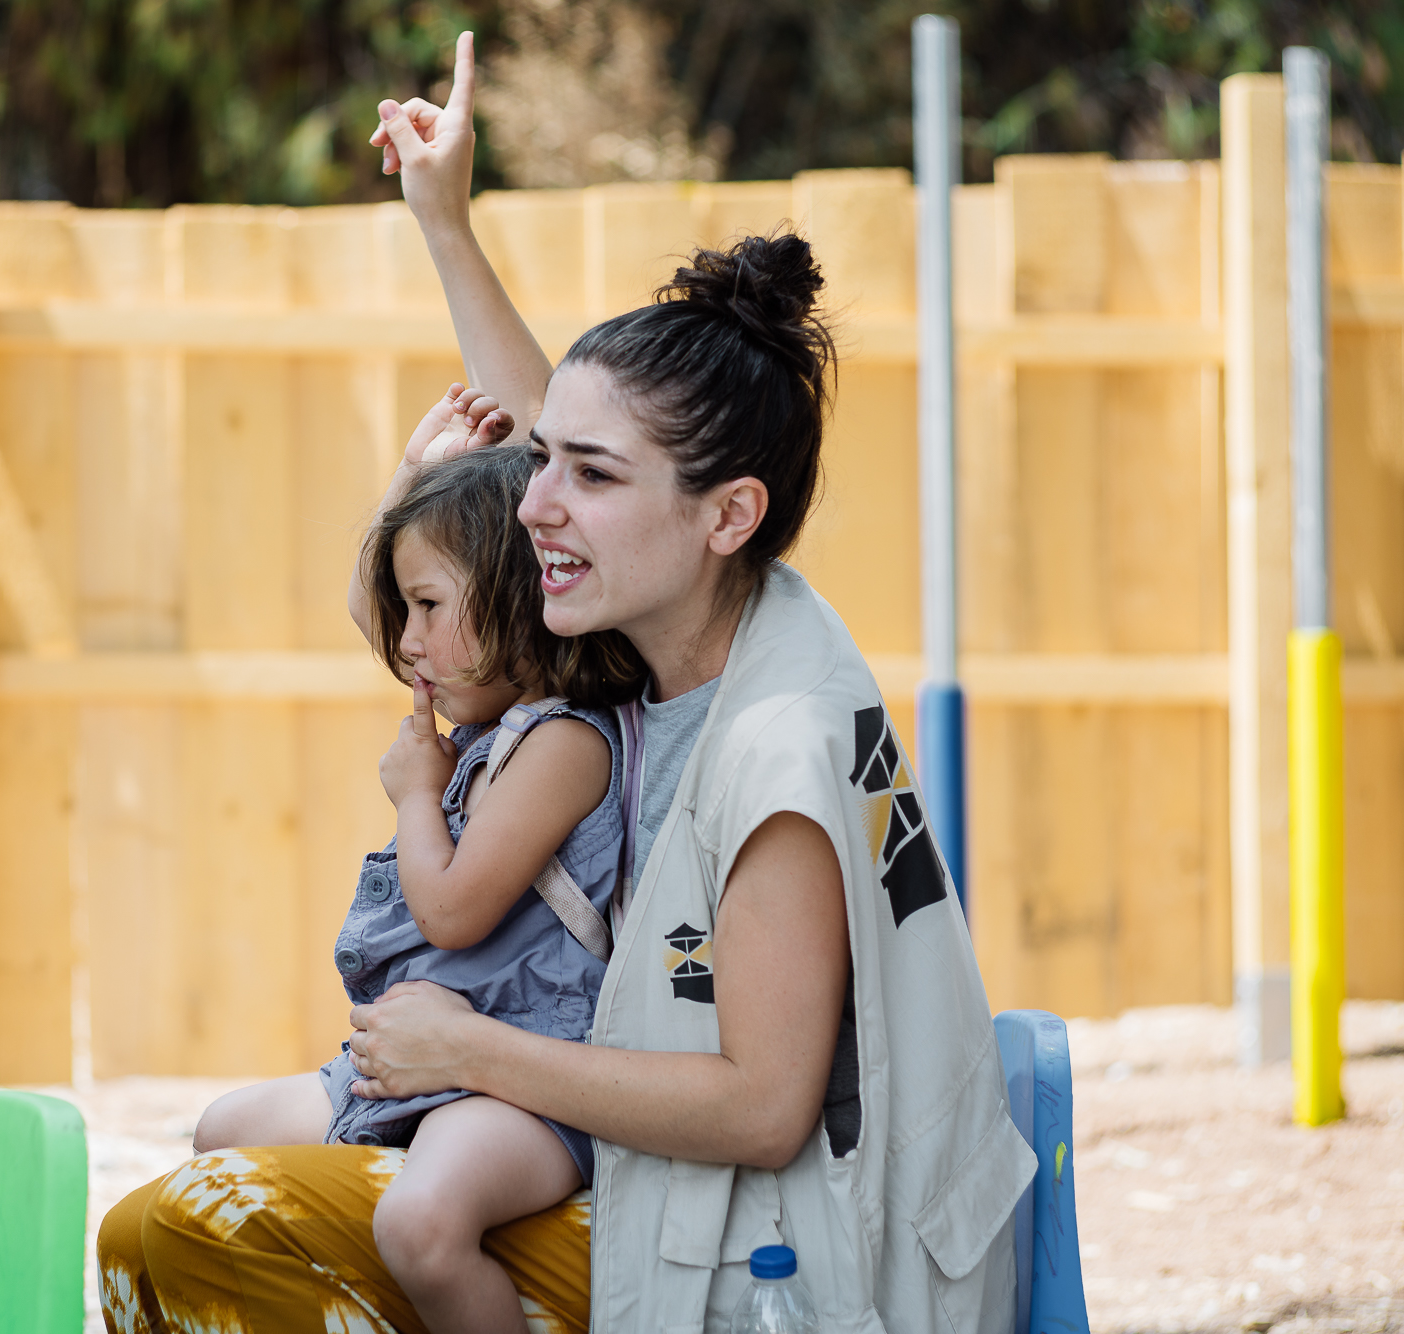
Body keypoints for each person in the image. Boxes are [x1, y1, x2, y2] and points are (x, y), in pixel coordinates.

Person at [99, 33, 1034, 1334]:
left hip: (805, 1263)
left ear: (727, 513)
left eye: (586, 478)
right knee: (209, 1187)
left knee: (184, 1231)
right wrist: (444, 220)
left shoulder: (776, 744)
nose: (538, 502)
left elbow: (764, 1106)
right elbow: (557, 436)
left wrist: (468, 1051)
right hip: (726, 1210)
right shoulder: (711, 629)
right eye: (550, 464)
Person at [190, 389, 644, 1334]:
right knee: (220, 1138)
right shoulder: (481, 717)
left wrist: (414, 797)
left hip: (519, 1082)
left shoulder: (563, 746)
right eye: (406, 609)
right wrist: (413, 474)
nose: (403, 639)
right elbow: (371, 600)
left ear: (520, 597)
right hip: (407, 1068)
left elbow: (453, 913)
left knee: (423, 1224)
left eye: (429, 607)